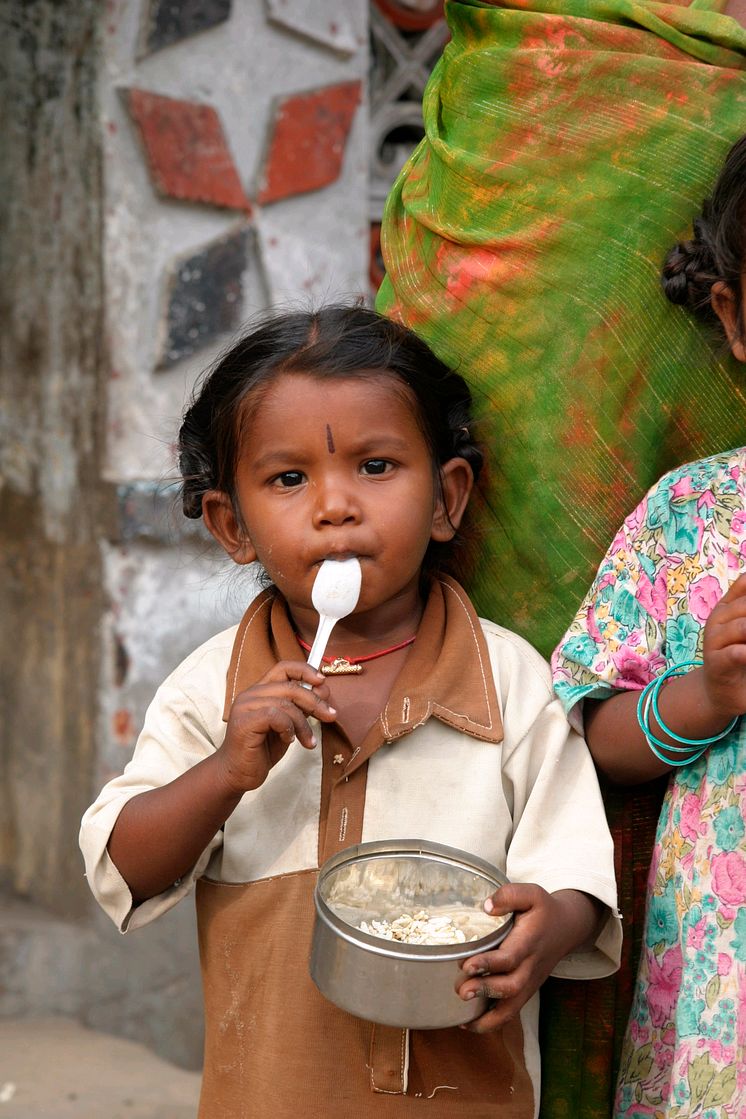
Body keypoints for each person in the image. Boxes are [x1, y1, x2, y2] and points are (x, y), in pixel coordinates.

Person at [80, 305, 621, 1119]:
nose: (335, 506)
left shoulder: (509, 681)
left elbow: (574, 863)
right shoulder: (212, 689)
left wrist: (551, 927)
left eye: (375, 465)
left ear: (447, 498)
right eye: (288, 478)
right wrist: (226, 773)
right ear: (233, 525)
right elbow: (122, 864)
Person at [552, 134, 746, 1118]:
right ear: (733, 314)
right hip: (724, 1018)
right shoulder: (693, 517)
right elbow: (592, 732)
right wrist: (707, 691)